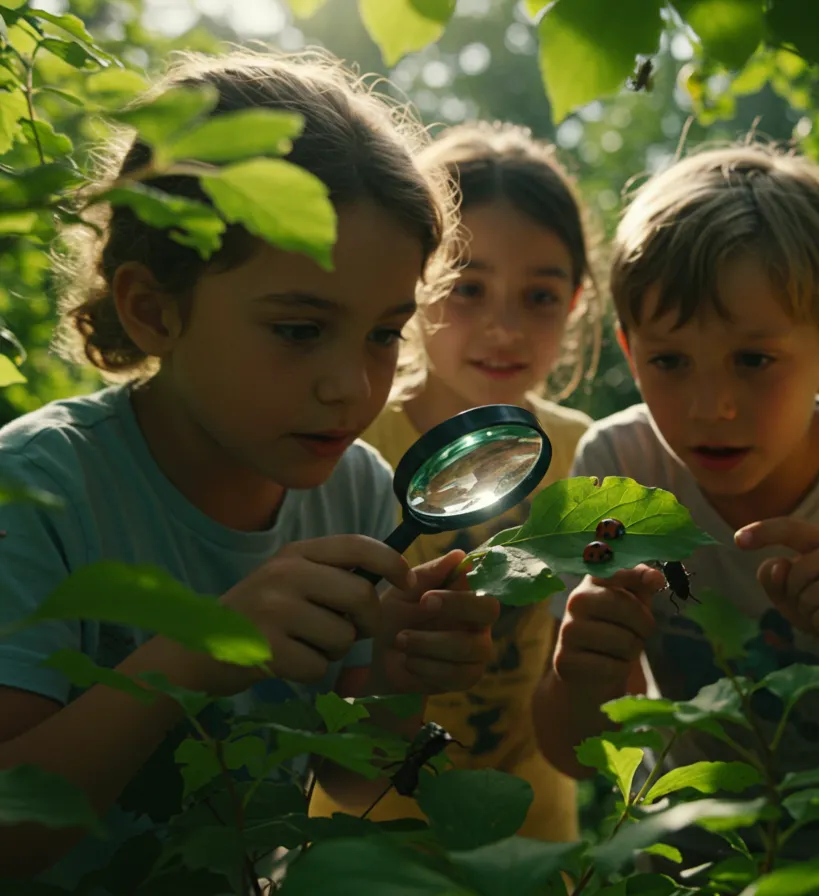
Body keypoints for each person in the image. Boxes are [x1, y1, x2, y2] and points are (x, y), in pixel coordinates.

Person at [0, 50, 500, 887]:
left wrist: (395, 684)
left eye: (383, 333)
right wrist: (197, 653)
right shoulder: (38, 491)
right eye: (300, 330)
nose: (352, 386)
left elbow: (352, 777)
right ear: (153, 310)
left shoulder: (358, 490)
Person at [532, 142, 819, 868]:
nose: (711, 408)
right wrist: (581, 671)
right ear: (630, 354)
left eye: (754, 360)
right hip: (677, 867)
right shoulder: (620, 469)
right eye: (669, 362)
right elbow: (574, 756)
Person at [309, 122, 602, 842]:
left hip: (534, 849)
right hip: (361, 850)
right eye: (468, 288)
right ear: (413, 288)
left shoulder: (584, 450)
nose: (504, 328)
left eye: (539, 296)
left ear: (576, 303)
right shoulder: (343, 447)